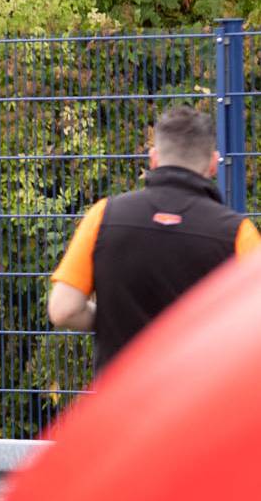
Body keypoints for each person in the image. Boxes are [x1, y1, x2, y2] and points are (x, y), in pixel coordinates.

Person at [48, 106, 260, 369]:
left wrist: (114, 321)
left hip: (121, 390)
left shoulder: (103, 216)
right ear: (213, 163)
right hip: (200, 391)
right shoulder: (237, 232)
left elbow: (63, 309)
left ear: (153, 159)